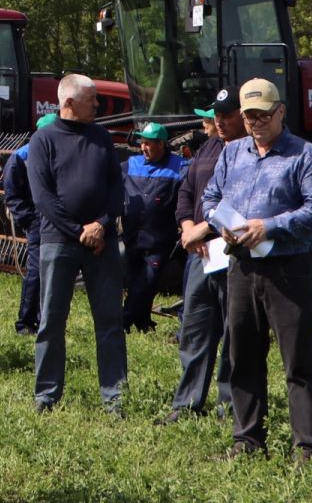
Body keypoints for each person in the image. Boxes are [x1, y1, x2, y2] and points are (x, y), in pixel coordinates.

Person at [200, 78, 312, 462]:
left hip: (287, 269)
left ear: (280, 112)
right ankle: (247, 439)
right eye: (249, 116)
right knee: (242, 354)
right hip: (241, 266)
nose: (256, 123)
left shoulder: (304, 156)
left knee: (297, 359)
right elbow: (210, 196)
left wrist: (270, 225)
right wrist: (218, 221)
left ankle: (305, 446)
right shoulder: (232, 154)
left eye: (263, 115)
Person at [27, 72, 128, 414]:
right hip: (59, 242)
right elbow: (43, 197)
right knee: (52, 321)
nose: (98, 105)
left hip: (102, 243)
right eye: (92, 100)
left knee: (110, 320)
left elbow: (117, 188)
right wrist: (78, 231)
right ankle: (47, 396)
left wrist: (100, 226)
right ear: (69, 102)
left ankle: (115, 397)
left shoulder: (102, 138)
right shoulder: (44, 140)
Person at [170, 88, 244, 421]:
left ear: (243, 115)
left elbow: (245, 201)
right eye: (217, 115)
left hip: (232, 252)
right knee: (195, 327)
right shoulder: (210, 147)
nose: (220, 121)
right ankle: (187, 404)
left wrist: (206, 229)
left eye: (227, 115)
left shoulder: (251, 151)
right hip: (200, 253)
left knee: (233, 330)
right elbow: (187, 190)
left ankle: (228, 406)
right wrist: (188, 227)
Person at [123, 122, 184, 332]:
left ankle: (124, 319)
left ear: (162, 144)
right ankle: (143, 322)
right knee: (134, 281)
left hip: (160, 238)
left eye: (149, 144)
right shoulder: (131, 164)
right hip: (133, 236)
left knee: (147, 281)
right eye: (142, 143)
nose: (143, 148)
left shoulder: (180, 167)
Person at [3, 113, 55, 335]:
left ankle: (47, 318)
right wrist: (28, 219)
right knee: (36, 270)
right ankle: (25, 322)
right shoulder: (21, 157)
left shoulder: (57, 154)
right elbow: (12, 193)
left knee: (52, 271)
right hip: (36, 220)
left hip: (55, 219)